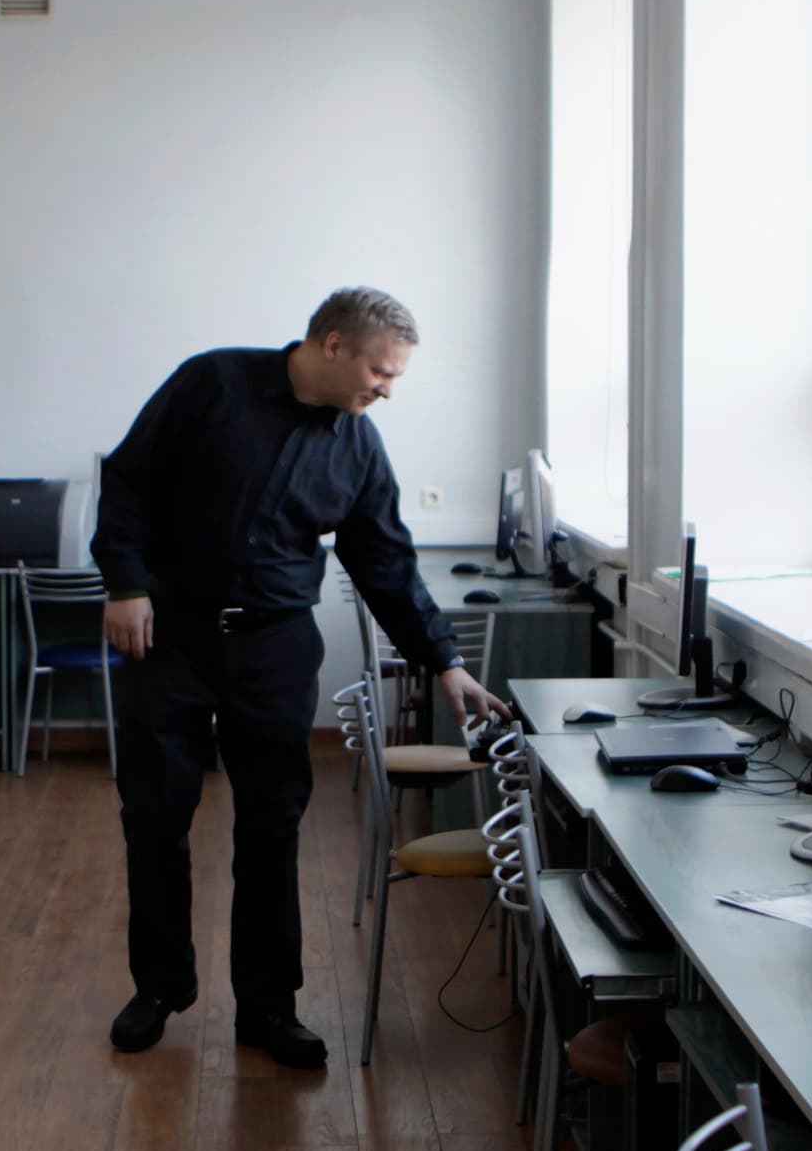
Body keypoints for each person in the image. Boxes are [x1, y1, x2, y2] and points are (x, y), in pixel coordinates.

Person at [92, 287, 510, 1068]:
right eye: (380, 371)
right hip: (170, 638)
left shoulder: (358, 445)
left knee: (272, 825)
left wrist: (443, 658)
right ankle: (158, 987)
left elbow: (385, 562)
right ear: (330, 345)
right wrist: (124, 582)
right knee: (154, 818)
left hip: (274, 649)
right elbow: (128, 480)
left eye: (395, 378)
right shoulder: (210, 384)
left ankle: (267, 1006)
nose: (386, 390)